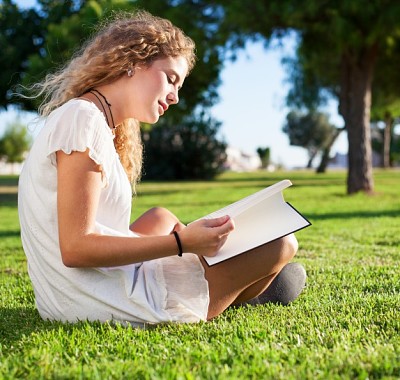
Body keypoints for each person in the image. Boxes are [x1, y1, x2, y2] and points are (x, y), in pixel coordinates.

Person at [18, 11, 306, 326]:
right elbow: (76, 248)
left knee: (161, 217)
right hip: (90, 299)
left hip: (70, 292)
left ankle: (230, 277)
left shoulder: (94, 120)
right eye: (171, 78)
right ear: (132, 61)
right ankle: (237, 288)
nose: (175, 96)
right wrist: (183, 244)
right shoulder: (82, 120)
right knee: (282, 244)